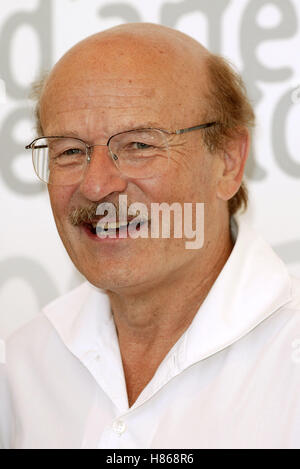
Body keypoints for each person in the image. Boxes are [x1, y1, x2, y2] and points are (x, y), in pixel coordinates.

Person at [1, 22, 299, 450]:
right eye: (69, 151)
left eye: (139, 145)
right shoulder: (24, 366)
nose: (97, 185)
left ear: (228, 162)